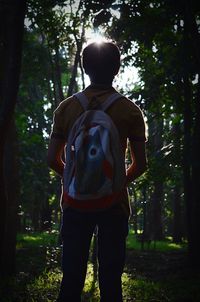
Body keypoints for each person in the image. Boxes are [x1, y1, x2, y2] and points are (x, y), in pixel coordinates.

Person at [47, 41, 147, 302]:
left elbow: (52, 159)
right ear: (117, 68)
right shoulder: (130, 111)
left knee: (70, 280)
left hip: (74, 204)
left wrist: (78, 180)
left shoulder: (66, 108)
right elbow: (141, 165)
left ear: (84, 67)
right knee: (111, 281)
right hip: (114, 207)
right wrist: (112, 184)